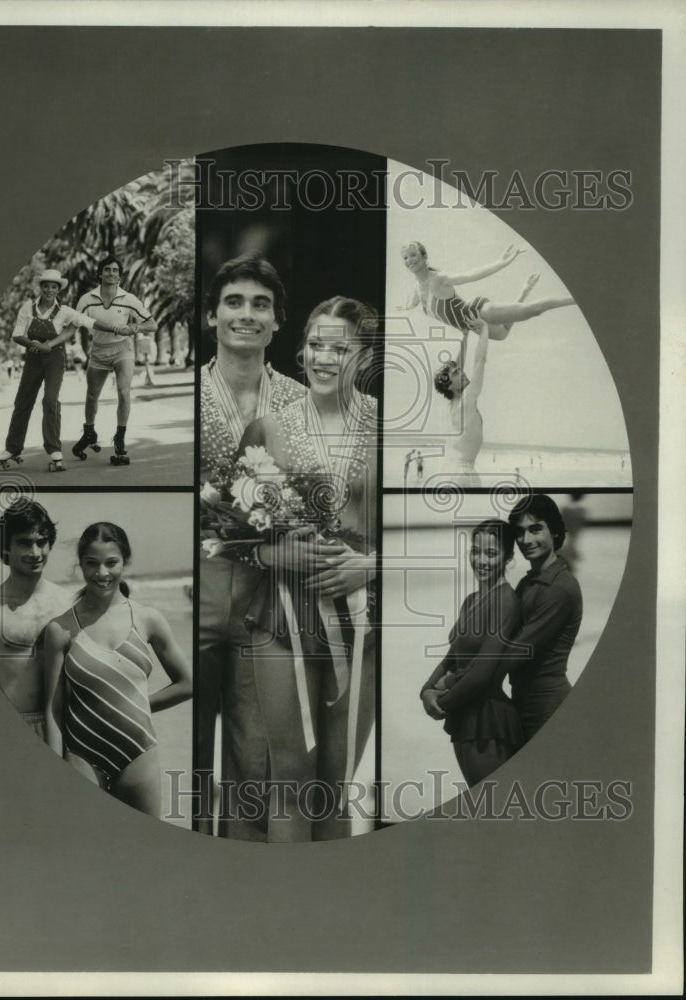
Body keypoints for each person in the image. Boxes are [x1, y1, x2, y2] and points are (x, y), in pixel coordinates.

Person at [233, 295, 379, 842]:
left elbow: (417, 526)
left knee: (336, 784)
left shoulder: (387, 427)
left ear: (364, 356)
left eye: (339, 347)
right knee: (290, 778)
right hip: (279, 618)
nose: (323, 357)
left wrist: (372, 564)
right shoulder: (266, 427)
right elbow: (230, 533)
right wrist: (272, 553)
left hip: (363, 624)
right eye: (316, 344)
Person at [197, 255, 306, 837]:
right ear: (212, 315)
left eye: (260, 304)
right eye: (234, 302)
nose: (247, 314)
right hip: (201, 590)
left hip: (271, 596)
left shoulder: (300, 402)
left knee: (256, 763)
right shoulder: (185, 399)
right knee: (191, 760)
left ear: (278, 321)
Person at [44, 522, 192, 817]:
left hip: (138, 754)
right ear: (81, 566)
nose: (101, 573)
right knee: (88, 854)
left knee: (145, 853)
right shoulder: (60, 629)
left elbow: (188, 684)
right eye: (91, 564)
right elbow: (53, 708)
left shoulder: (148, 620)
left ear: (125, 560)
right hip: (81, 756)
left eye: (111, 563)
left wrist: (137, 705)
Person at [420, 519, 525, 787]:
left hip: (488, 722)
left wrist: (441, 701)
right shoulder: (470, 601)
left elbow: (483, 674)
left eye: (491, 554)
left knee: (492, 814)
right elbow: (452, 657)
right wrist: (427, 690)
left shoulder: (505, 601)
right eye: (475, 551)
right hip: (463, 716)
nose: (480, 560)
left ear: (509, 558)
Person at [0, 269, 132, 472]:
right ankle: (12, 448)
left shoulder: (65, 311)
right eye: (46, 286)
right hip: (33, 358)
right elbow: (16, 335)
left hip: (54, 359)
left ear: (58, 289)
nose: (50, 290)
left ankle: (54, 450)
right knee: (23, 401)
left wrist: (115, 328)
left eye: (54, 287)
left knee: (50, 400)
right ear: (40, 287)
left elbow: (90, 322)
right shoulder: (27, 307)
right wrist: (36, 345)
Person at [0, 499, 71, 737]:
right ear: (6, 547)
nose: (35, 553)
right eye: (24, 543)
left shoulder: (68, 603)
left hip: (68, 728)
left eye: (41, 542)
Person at [507, 493, 583, 739]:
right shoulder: (528, 583)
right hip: (524, 703)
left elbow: (516, 651)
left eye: (536, 529)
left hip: (548, 708)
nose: (525, 539)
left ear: (555, 532)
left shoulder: (558, 588)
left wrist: (452, 684)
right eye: (519, 532)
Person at [72, 255, 159, 466]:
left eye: (115, 271)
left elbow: (152, 324)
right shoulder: (87, 299)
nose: (112, 273)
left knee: (123, 391)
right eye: (107, 270)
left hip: (123, 349)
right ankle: (89, 431)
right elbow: (75, 322)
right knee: (92, 395)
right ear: (99, 274)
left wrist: (134, 327)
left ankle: (120, 438)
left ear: (120, 276)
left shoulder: (129, 299)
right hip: (99, 351)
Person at [399, 240, 572, 340]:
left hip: (476, 312)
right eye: (405, 257)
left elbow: (471, 275)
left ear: (424, 257)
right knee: (503, 334)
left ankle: (576, 299)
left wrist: (501, 262)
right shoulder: (416, 289)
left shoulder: (438, 279)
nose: (409, 260)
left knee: (533, 311)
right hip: (474, 326)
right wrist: (405, 307)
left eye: (413, 255)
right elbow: (412, 303)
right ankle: (525, 291)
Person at [432, 317, 490, 485]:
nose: (463, 373)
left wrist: (465, 337)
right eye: (457, 374)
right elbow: (481, 361)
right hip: (463, 474)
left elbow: (455, 368)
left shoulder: (454, 402)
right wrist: (484, 329)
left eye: (460, 370)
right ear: (449, 385)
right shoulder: (466, 400)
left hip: (451, 471)